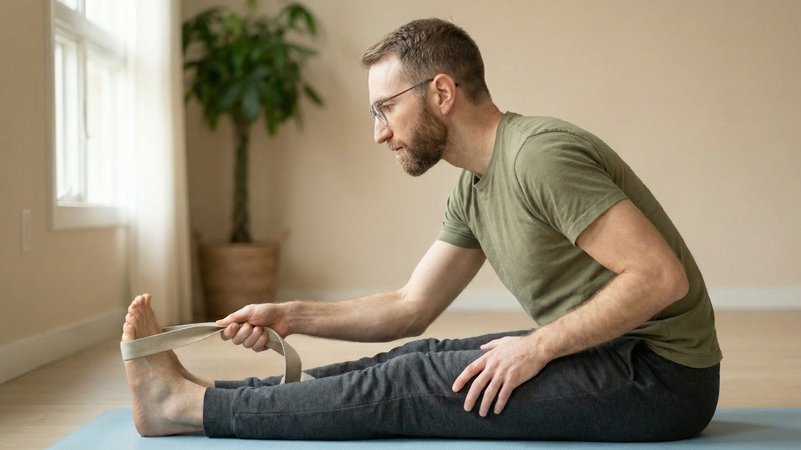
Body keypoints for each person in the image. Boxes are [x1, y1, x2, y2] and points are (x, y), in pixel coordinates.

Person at [122, 18, 722, 441]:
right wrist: (290, 314)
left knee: (411, 381)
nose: (379, 132)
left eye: (385, 108)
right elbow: (409, 309)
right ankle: (200, 400)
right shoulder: (474, 185)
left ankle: (187, 408)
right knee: (415, 357)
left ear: (440, 92)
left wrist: (536, 346)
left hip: (662, 379)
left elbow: (659, 277)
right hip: (612, 355)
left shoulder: (538, 155)